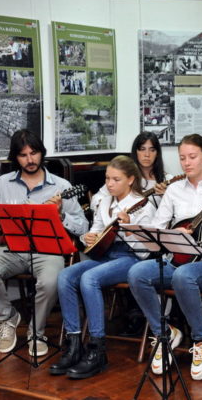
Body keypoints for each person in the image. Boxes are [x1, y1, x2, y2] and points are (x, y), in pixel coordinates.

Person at [127, 133, 202, 381]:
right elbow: (157, 230)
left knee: (184, 276)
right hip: (179, 260)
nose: (186, 163)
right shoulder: (174, 190)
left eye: (192, 157)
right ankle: (163, 333)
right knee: (137, 273)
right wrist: (172, 234)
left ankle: (201, 339)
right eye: (182, 158)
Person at [0, 129, 88, 356]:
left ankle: (37, 332)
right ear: (16, 158)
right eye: (23, 155)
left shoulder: (61, 186)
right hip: (11, 248)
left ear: (42, 153)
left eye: (34, 153)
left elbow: (83, 227)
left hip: (48, 250)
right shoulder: (3, 183)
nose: (30, 160)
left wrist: (61, 215)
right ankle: (7, 317)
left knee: (51, 280)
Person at [50, 156, 156, 379]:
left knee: (90, 278)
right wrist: (87, 238)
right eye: (107, 178)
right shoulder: (105, 201)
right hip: (104, 255)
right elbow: (95, 231)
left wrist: (129, 228)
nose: (109, 184)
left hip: (131, 258)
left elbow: (147, 251)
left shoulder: (143, 205)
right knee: (65, 276)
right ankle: (73, 344)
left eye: (116, 179)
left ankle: (97, 349)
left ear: (130, 180)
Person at [92, 132, 169, 211]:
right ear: (135, 152)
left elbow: (175, 210)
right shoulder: (125, 177)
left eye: (152, 150)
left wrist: (166, 197)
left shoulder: (168, 179)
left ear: (157, 153)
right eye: (142, 149)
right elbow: (95, 199)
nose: (147, 154)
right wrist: (107, 208)